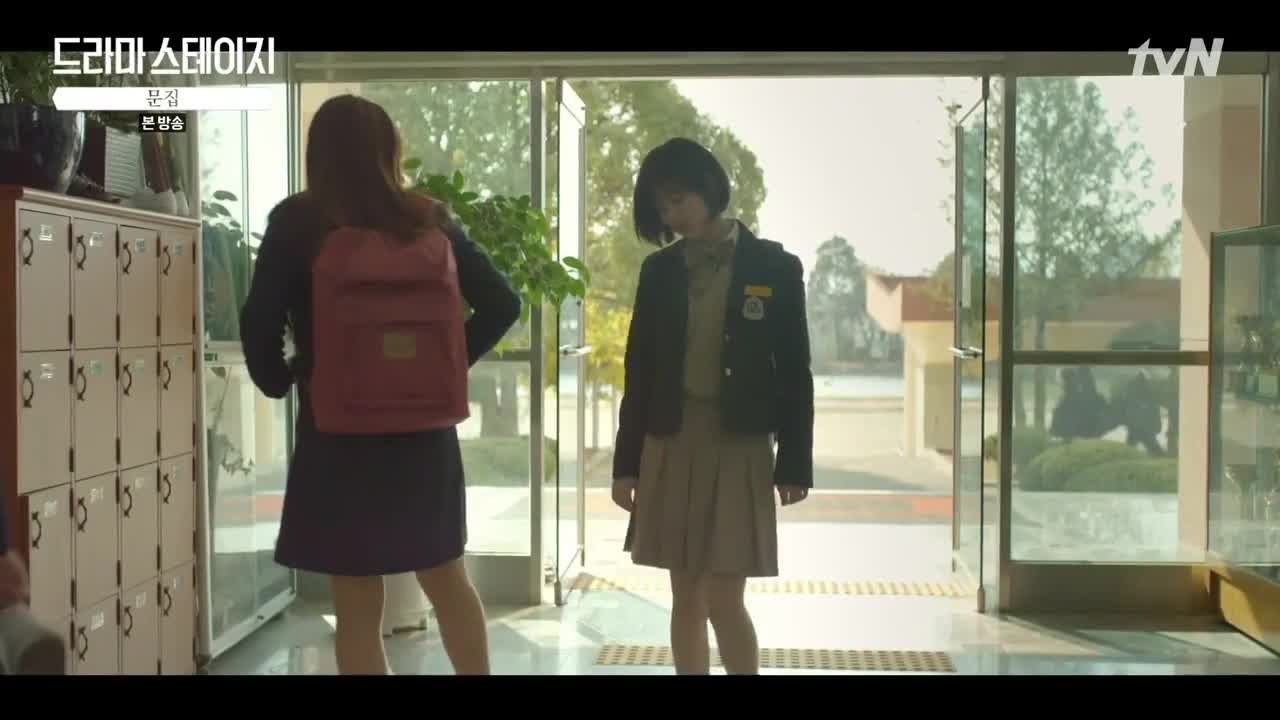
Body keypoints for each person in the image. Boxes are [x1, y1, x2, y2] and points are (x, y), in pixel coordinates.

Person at [239, 94, 521, 675]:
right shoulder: (430, 219)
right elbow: (502, 302)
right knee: (447, 579)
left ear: (317, 154)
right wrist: (440, 367)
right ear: (389, 150)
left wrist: (282, 378)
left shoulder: (297, 223)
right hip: (422, 434)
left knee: (357, 603)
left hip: (337, 431)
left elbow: (259, 321)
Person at [611, 138, 815, 675]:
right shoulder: (658, 271)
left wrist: (794, 462)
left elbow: (795, 372)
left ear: (708, 188)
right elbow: (639, 373)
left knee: (724, 598)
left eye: (678, 200)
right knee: (685, 597)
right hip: (670, 441)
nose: (671, 217)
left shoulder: (775, 266)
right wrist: (626, 465)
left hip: (740, 444)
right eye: (661, 208)